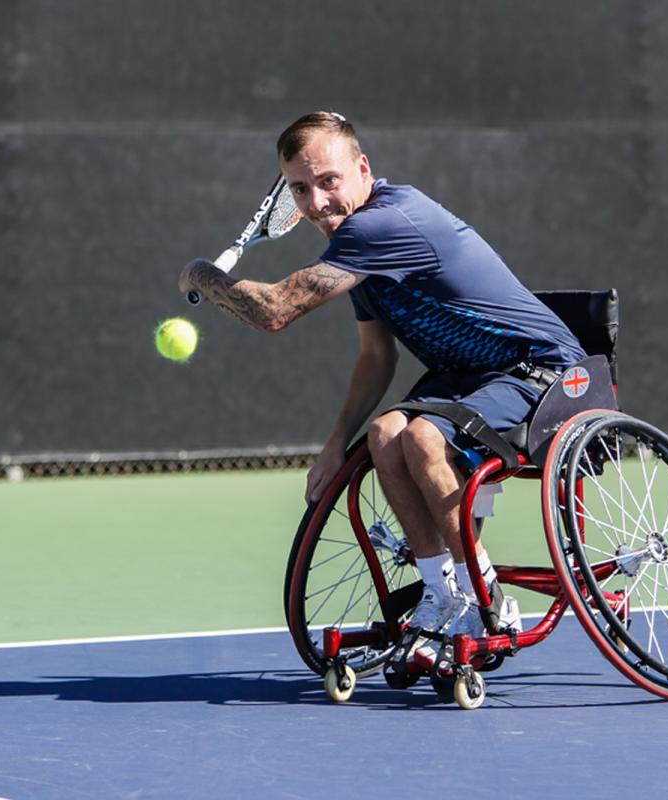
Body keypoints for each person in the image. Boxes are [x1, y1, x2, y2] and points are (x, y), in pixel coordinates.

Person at [179, 111, 585, 650]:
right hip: (466, 380)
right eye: (300, 189)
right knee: (384, 434)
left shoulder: (383, 225)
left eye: (328, 182)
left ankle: (483, 597)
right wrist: (333, 445)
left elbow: (273, 310)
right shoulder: (356, 246)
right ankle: (443, 596)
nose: (316, 202)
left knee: (421, 437)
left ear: (362, 169)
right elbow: (376, 357)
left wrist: (202, 275)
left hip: (543, 372)